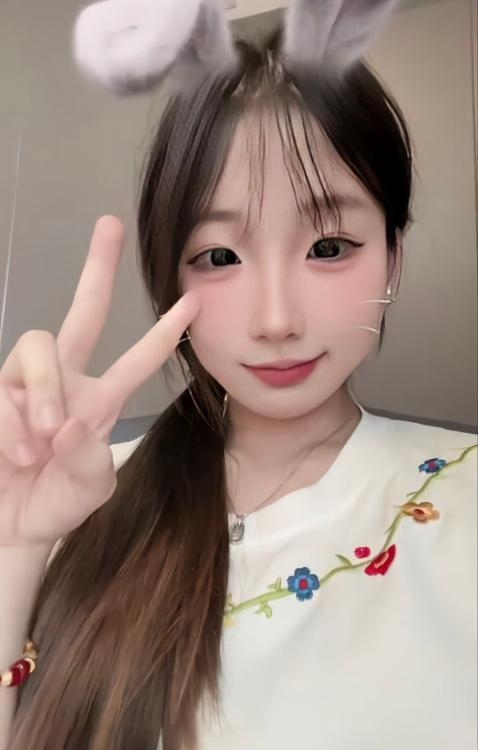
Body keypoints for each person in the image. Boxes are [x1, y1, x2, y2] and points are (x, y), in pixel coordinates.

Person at [1, 2, 476, 750]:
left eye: (329, 247)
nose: (276, 320)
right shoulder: (76, 499)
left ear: (395, 252)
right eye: (220, 256)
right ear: (170, 275)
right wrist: (15, 543)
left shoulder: (462, 499)